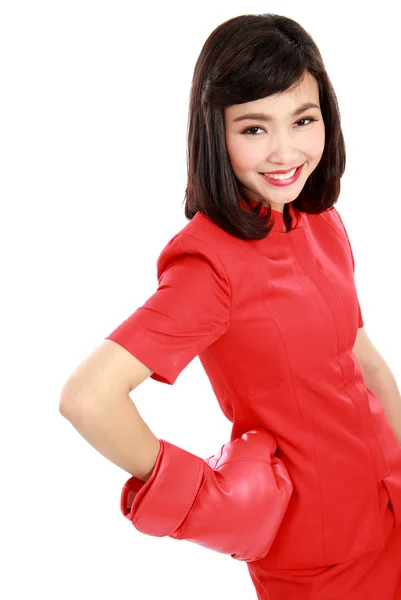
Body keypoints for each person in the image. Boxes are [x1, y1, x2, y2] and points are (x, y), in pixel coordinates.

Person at [59, 13, 401, 599]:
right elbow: (88, 398)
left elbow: (361, 357)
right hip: (318, 555)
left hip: (388, 500)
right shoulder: (208, 266)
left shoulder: (318, 220)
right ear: (214, 132)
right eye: (254, 128)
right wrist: (201, 499)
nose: (286, 151)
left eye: (303, 119)